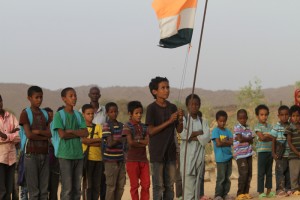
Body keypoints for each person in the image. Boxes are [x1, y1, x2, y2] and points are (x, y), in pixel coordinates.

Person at [145, 76, 183, 200]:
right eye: (163, 88)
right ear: (154, 92)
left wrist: (180, 119)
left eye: (167, 87)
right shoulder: (151, 108)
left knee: (169, 186)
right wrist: (169, 121)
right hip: (157, 153)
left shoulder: (172, 107)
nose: (166, 90)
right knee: (158, 186)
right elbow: (150, 131)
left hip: (170, 153)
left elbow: (179, 130)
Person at [51, 87, 88, 200]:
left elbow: (85, 132)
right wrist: (78, 133)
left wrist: (71, 131)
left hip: (78, 154)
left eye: (75, 95)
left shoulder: (78, 115)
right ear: (64, 99)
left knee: (77, 189)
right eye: (71, 96)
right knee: (67, 189)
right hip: (65, 155)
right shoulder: (59, 115)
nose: (74, 98)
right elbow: (62, 135)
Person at [19, 86, 51, 200]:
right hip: (30, 154)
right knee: (34, 192)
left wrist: (38, 132)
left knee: (43, 191)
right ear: (29, 98)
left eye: (41, 97)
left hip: (45, 154)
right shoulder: (25, 113)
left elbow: (50, 134)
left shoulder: (46, 114)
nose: (39, 100)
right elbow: (29, 135)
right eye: (36, 97)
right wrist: (44, 136)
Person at [180, 94, 210, 200]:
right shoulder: (184, 120)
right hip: (187, 158)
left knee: (198, 182)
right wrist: (199, 133)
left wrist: (191, 136)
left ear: (199, 105)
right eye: (191, 104)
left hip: (199, 157)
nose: (194, 106)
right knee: (187, 182)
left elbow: (206, 137)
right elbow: (183, 135)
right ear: (187, 106)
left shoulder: (204, 121)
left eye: (196, 104)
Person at [82, 86, 106, 200]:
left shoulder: (104, 111)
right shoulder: (82, 125)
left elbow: (101, 140)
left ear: (99, 95)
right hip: (87, 157)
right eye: (88, 114)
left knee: (97, 184)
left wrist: (89, 141)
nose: (91, 116)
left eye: (97, 94)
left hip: (99, 158)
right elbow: (83, 140)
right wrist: (94, 140)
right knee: (88, 184)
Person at [122, 101, 150, 200]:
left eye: (140, 113)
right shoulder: (127, 126)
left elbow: (147, 141)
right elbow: (130, 142)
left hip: (143, 160)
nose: (139, 115)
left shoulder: (144, 126)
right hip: (132, 160)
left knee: (146, 185)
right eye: (136, 113)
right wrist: (141, 141)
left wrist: (137, 141)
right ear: (130, 113)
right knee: (134, 186)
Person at [102, 102, 126, 200]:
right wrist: (120, 139)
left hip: (121, 159)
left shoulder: (122, 125)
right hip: (110, 161)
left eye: (115, 111)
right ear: (107, 113)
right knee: (111, 187)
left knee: (120, 186)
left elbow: (125, 141)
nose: (114, 113)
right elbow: (110, 143)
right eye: (111, 112)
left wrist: (115, 139)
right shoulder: (106, 125)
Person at [0, 94, 20, 199]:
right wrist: (12, 134)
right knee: (1, 190)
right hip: (0, 158)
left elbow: (19, 136)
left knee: (9, 190)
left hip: (11, 158)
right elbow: (15, 136)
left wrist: (5, 136)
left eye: (0, 101)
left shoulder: (11, 116)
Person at [211, 110, 234, 200]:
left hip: (229, 157)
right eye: (220, 121)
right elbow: (218, 144)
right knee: (221, 178)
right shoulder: (215, 131)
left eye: (224, 121)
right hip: (220, 158)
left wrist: (224, 141)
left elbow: (232, 142)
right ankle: (218, 195)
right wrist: (226, 142)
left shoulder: (228, 131)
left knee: (227, 177)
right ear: (217, 120)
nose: (222, 123)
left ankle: (225, 194)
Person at [233, 109, 254, 200]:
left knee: (249, 173)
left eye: (244, 118)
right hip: (240, 155)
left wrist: (247, 138)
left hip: (248, 153)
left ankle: (246, 192)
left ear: (247, 118)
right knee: (243, 173)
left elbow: (252, 140)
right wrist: (248, 138)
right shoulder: (237, 127)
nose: (242, 120)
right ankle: (240, 193)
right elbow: (240, 139)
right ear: (238, 119)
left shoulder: (248, 128)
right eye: (240, 118)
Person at [254, 104, 275, 198]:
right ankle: (261, 192)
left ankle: (269, 191)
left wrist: (267, 136)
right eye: (261, 114)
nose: (264, 117)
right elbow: (261, 137)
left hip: (270, 152)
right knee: (261, 172)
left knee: (269, 172)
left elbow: (274, 138)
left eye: (266, 114)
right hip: (261, 152)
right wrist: (267, 136)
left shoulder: (270, 126)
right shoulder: (257, 126)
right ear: (257, 116)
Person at [271, 105, 291, 196]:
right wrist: (273, 153)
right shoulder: (276, 127)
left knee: (288, 172)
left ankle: (287, 188)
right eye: (282, 115)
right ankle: (279, 189)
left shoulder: (290, 126)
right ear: (278, 116)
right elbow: (273, 140)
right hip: (280, 154)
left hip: (289, 154)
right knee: (280, 172)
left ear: (289, 115)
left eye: (286, 114)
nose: (284, 117)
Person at [43, 107, 59, 200]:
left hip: (54, 160)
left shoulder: (55, 126)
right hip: (43, 160)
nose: (50, 119)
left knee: (54, 187)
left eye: (52, 117)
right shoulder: (41, 127)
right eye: (48, 116)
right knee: (44, 187)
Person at [285, 105, 300, 195]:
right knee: (294, 173)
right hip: (294, 155)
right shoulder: (289, 128)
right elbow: (289, 142)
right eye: (293, 116)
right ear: (291, 117)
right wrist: (297, 152)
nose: (296, 118)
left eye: (298, 116)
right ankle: (294, 188)